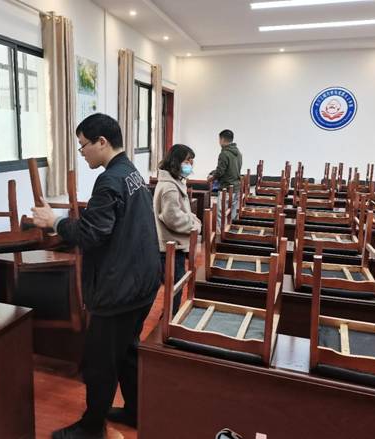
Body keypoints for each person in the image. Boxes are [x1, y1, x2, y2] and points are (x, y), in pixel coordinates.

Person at [31, 113, 160, 439]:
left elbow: (91, 233)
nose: (82, 152)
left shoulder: (109, 180)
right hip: (143, 283)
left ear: (102, 142)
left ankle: (91, 429)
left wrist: (54, 222)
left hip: (120, 289)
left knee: (100, 362)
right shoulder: (131, 172)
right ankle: (136, 411)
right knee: (128, 350)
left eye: (83, 145)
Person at [153, 144, 201, 314]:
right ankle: (168, 320)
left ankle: (168, 318)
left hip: (173, 245)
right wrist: (195, 225)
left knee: (175, 287)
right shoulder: (170, 187)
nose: (190, 165)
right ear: (176, 161)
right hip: (170, 247)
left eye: (191, 161)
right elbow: (173, 218)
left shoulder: (174, 182)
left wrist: (192, 219)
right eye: (187, 161)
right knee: (175, 288)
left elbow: (182, 212)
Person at [207, 129, 243, 228]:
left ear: (222, 139)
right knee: (231, 214)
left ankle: (220, 234)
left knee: (220, 214)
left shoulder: (224, 153)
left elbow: (220, 172)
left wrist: (211, 178)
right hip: (236, 187)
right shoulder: (238, 153)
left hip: (226, 188)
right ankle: (230, 232)